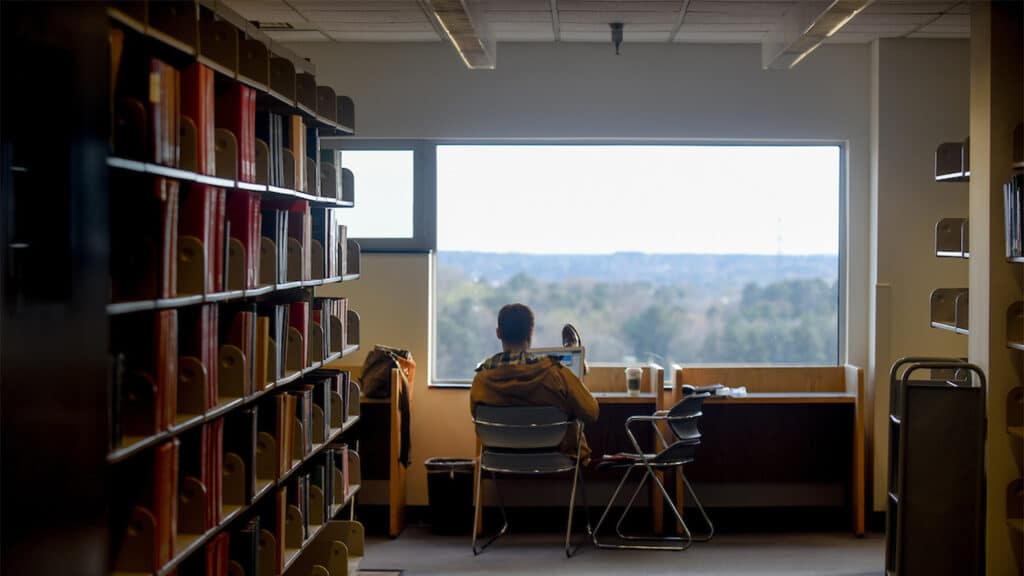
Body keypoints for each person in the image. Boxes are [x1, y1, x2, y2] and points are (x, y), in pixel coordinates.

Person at [470, 303, 599, 460]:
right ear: (530, 332)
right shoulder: (555, 373)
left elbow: (478, 420)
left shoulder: (481, 380)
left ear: (498, 333)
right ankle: (574, 356)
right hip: (557, 456)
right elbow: (592, 412)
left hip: (500, 458)